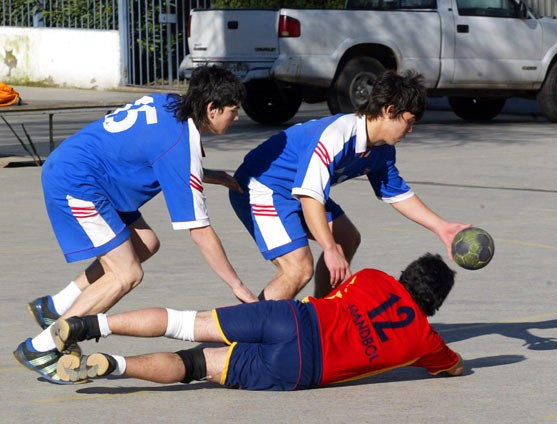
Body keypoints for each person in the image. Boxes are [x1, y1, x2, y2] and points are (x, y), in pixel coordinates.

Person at [13, 66, 259, 385]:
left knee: (145, 243)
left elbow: (150, 149)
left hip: (89, 171)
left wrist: (207, 174)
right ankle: (40, 348)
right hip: (78, 182)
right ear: (212, 108)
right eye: (233, 110)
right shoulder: (178, 142)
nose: (237, 117)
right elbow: (199, 231)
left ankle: (56, 306)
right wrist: (237, 285)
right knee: (126, 273)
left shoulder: (169, 103)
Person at [51, 253, 464, 389]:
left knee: (187, 322)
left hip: (291, 318)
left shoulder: (373, 278)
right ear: (435, 303)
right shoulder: (426, 342)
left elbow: (331, 294)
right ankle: (114, 365)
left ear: (406, 273)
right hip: (301, 366)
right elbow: (455, 367)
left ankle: (89, 326)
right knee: (198, 364)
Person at [228, 70, 470, 300]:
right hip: (261, 187)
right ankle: (249, 328)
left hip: (295, 190)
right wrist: (329, 248)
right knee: (298, 268)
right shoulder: (337, 136)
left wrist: (441, 227)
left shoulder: (382, 150)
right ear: (389, 111)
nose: (411, 130)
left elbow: (398, 195)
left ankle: (322, 314)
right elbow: (310, 197)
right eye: (409, 121)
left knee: (346, 237)